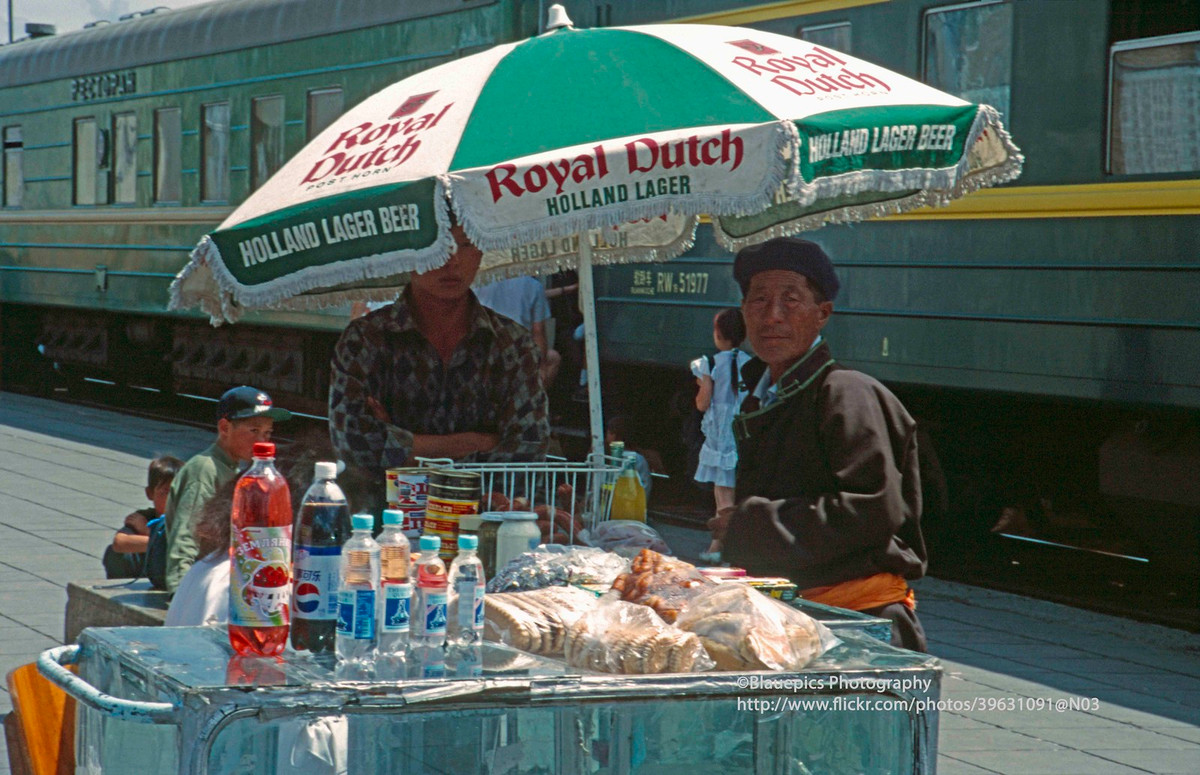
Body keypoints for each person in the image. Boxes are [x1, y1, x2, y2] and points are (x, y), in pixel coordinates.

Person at [717, 237, 928, 651]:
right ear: (743, 312)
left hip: (858, 627)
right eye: (758, 301)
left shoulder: (846, 393)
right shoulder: (769, 395)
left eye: (791, 300)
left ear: (822, 314)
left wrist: (746, 524)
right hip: (799, 622)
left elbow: (867, 511)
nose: (772, 316)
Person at [329, 223, 550, 486]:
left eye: (465, 244)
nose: (452, 259)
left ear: (480, 252)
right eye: (436, 242)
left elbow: (528, 450)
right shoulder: (365, 340)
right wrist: (475, 442)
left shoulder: (512, 345)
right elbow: (356, 446)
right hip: (384, 519)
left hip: (483, 519)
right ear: (406, 252)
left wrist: (407, 448)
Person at [164, 386, 291, 593]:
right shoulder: (205, 469)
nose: (262, 441)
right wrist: (180, 595)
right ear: (225, 428)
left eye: (267, 433)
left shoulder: (236, 468)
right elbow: (185, 539)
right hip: (200, 582)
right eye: (253, 431)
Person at [690, 309, 751, 564]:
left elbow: (703, 404)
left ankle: (718, 545)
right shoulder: (750, 362)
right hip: (744, 430)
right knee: (738, 489)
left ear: (718, 335)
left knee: (723, 492)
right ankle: (733, 543)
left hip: (721, 435)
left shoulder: (709, 364)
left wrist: (700, 390)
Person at [102, 455, 183, 579]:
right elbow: (119, 542)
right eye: (165, 492)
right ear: (150, 494)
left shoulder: (188, 518)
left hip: (178, 573)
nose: (172, 499)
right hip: (151, 571)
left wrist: (148, 532)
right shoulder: (144, 518)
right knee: (114, 554)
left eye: (179, 492)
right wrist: (163, 543)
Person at [474, 275, 562, 387]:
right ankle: (536, 397)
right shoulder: (533, 286)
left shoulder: (477, 284)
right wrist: (541, 368)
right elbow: (538, 332)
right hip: (519, 353)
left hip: (486, 353)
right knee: (554, 357)